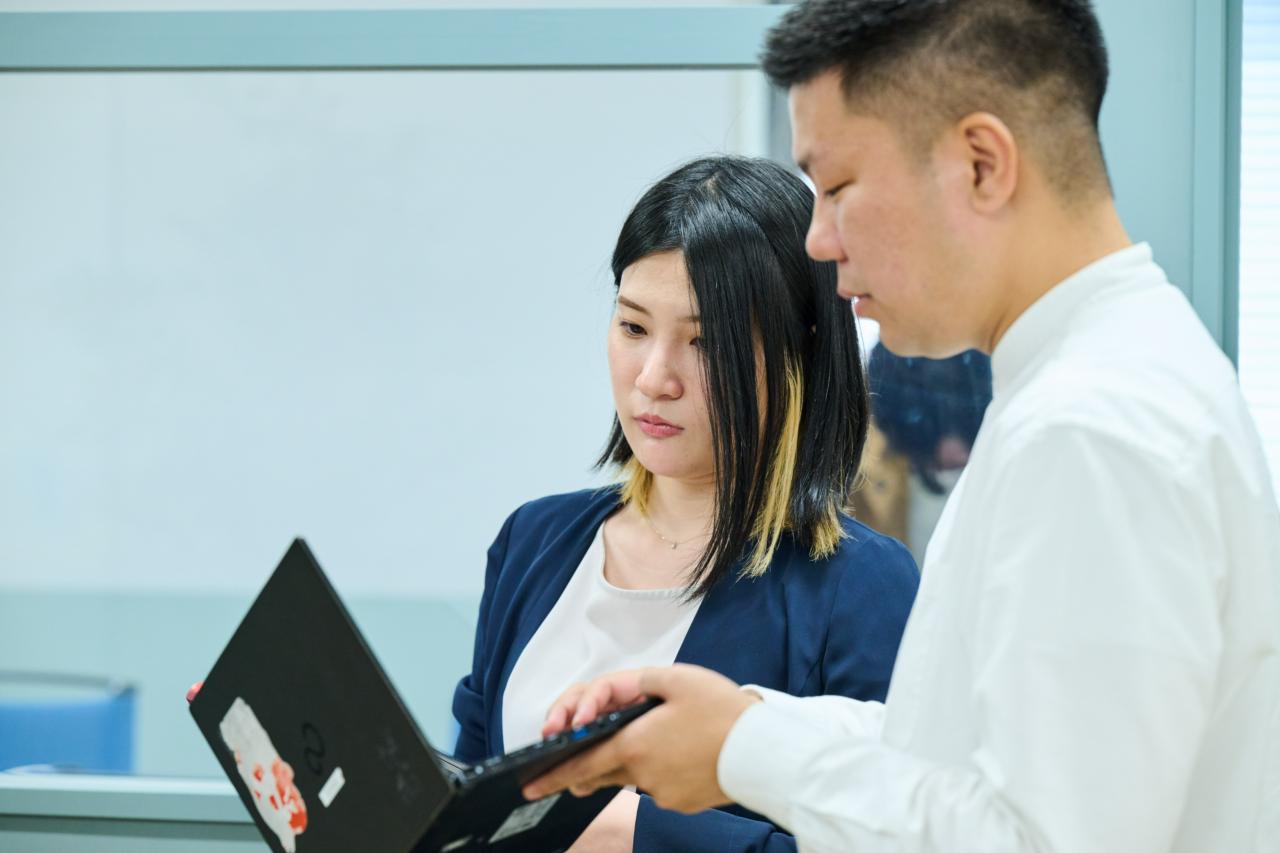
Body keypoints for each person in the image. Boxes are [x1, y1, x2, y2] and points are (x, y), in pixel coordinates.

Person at [525, 2, 1280, 852]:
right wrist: (745, 724)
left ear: (981, 164)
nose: (819, 240)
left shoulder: (1092, 428)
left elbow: (1039, 839)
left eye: (839, 189)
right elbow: (954, 748)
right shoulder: (1103, 379)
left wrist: (742, 751)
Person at [451, 155, 919, 852]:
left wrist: (638, 834)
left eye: (705, 342)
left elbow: (897, 835)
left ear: (800, 353)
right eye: (633, 327)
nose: (653, 378)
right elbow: (470, 793)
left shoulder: (861, 587)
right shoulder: (534, 539)